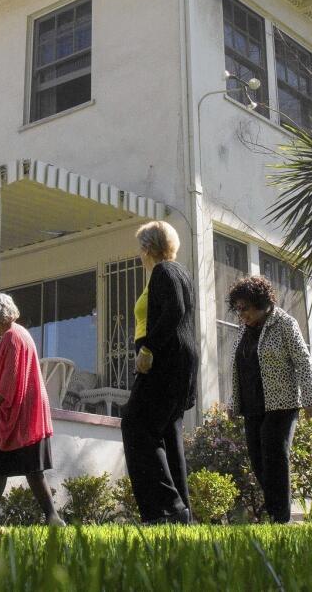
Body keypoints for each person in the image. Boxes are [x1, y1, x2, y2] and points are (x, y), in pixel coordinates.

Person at [120, 220, 198, 524]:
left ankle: (166, 508)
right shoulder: (178, 273)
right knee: (167, 433)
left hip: (164, 363)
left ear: (146, 248)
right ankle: (182, 514)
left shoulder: (164, 271)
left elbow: (174, 311)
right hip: (178, 365)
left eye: (140, 247)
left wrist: (148, 348)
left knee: (135, 424)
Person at [227, 274, 312, 523]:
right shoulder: (243, 330)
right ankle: (276, 512)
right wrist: (233, 402)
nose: (241, 314)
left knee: (274, 455)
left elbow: (303, 361)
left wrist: (311, 398)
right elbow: (239, 367)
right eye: (237, 309)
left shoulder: (285, 323)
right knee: (258, 460)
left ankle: (280, 517)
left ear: (260, 302)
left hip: (282, 403)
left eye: (244, 308)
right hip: (252, 405)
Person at [0, 292, 64, 527]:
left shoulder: (12, 337)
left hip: (20, 415)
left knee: (18, 469)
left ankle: (51, 516)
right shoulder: (16, 334)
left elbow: (11, 375)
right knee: (10, 470)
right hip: (21, 413)